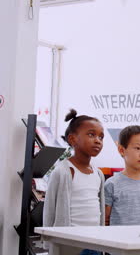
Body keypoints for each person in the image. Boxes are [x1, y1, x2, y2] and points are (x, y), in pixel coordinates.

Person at [43, 109, 105, 255]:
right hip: (69, 244)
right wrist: (48, 242)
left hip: (94, 242)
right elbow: (49, 208)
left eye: (101, 137)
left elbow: (100, 210)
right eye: (91, 135)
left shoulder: (98, 173)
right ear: (72, 139)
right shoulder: (62, 171)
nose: (98, 140)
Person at [105, 125, 140, 226]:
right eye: (138, 148)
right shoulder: (111, 184)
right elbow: (105, 219)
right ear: (122, 150)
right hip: (119, 240)